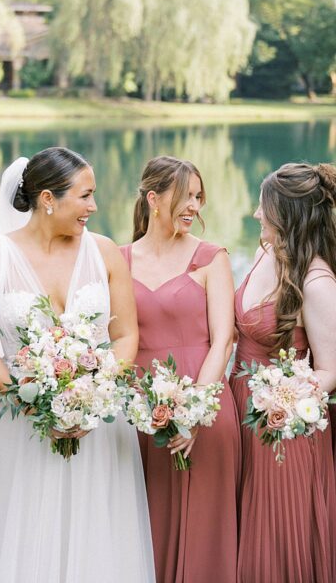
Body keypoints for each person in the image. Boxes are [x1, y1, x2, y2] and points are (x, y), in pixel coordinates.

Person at [0, 147, 154, 582]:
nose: (94, 207)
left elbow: (125, 335)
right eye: (85, 196)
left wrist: (91, 399)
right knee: (19, 533)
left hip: (96, 426)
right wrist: (34, 402)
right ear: (47, 199)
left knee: (95, 535)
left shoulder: (106, 253)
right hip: (19, 424)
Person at [123, 156, 239, 582]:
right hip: (138, 413)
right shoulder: (119, 260)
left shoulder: (212, 258)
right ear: (154, 199)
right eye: (184, 196)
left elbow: (223, 340)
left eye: (197, 197)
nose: (194, 206)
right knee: (141, 525)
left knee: (202, 533)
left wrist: (192, 414)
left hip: (204, 410)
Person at [230, 163, 336, 581]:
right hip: (241, 408)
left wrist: (282, 399)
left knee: (275, 530)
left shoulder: (316, 281)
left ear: (286, 216)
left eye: (264, 207)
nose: (257, 214)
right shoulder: (265, 251)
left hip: (282, 426)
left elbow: (330, 370)